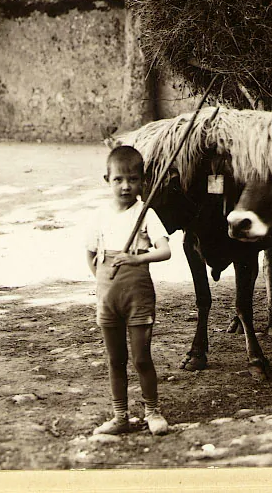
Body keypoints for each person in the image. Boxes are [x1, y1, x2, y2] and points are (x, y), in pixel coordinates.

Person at [85, 145, 172, 436]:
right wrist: (102, 280)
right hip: (108, 296)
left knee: (141, 358)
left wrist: (136, 258)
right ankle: (120, 415)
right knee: (115, 359)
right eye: (119, 180)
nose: (126, 186)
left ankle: (152, 411)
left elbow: (165, 251)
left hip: (138, 294)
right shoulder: (99, 215)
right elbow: (90, 253)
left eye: (133, 179)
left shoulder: (146, 213)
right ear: (107, 180)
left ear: (143, 181)